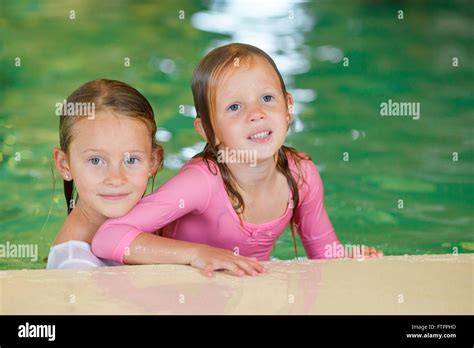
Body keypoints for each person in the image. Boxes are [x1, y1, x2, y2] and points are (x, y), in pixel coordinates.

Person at [92, 44, 383, 276]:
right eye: (234, 106)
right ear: (208, 130)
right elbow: (108, 238)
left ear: (288, 107)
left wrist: (347, 258)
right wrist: (196, 253)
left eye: (267, 99)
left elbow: (323, 254)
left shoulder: (301, 174)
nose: (256, 113)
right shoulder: (202, 182)